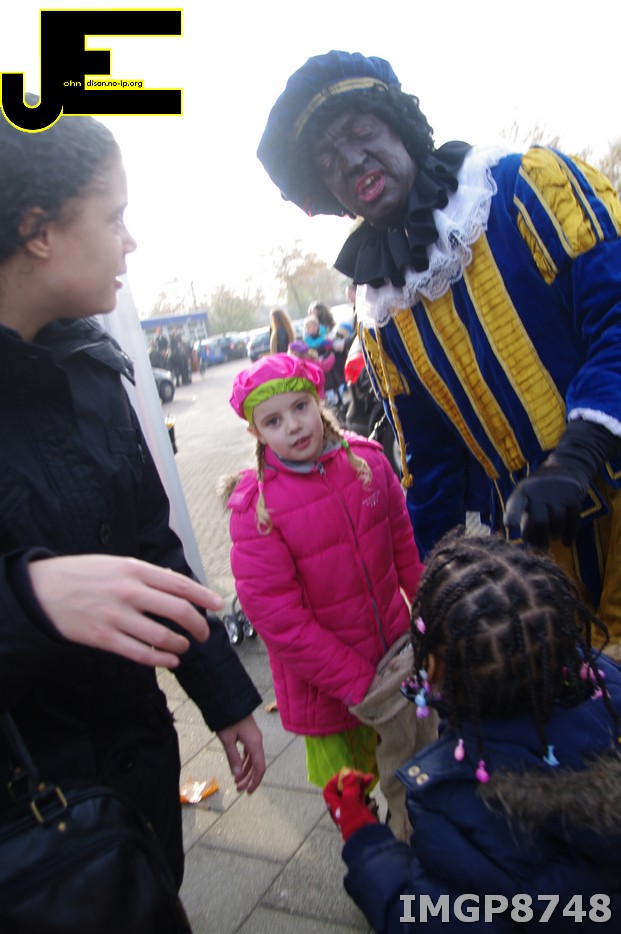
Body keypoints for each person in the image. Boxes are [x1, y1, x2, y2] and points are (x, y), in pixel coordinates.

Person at [257, 49, 621, 652]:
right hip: (543, 554)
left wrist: (578, 455)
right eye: (328, 159)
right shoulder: (381, 307)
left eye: (361, 131)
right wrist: (436, 585)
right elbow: (431, 460)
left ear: (398, 124)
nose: (352, 160)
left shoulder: (523, 188)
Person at [0, 96, 265, 894]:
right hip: (31, 827)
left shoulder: (92, 369)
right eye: (114, 216)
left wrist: (224, 697)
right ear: (38, 230)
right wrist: (26, 598)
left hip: (136, 774)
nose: (131, 241)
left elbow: (154, 547)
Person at [323, 529, 621, 932]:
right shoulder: (606, 685)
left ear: (435, 669)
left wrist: (365, 842)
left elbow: (426, 918)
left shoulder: (458, 804)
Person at [223, 353, 433, 832]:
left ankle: (415, 837)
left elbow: (407, 551)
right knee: (349, 787)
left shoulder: (368, 462)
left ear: (318, 401)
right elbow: (280, 621)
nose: (294, 426)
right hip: (326, 685)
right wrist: (356, 680)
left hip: (395, 658)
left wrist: (431, 622)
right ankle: (367, 847)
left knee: (410, 767)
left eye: (300, 407)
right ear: (256, 433)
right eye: (274, 421)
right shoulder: (257, 508)